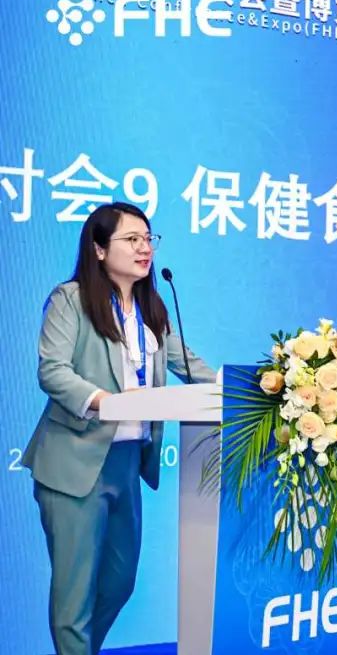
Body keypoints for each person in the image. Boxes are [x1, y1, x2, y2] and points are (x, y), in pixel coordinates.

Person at [21, 202, 217, 655]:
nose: (145, 248)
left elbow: (189, 365)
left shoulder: (151, 308)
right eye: (132, 239)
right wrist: (105, 401)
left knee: (119, 581)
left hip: (127, 464)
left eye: (149, 239)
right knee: (74, 596)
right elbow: (53, 371)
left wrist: (239, 390)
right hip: (75, 463)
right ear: (99, 249)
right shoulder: (71, 300)